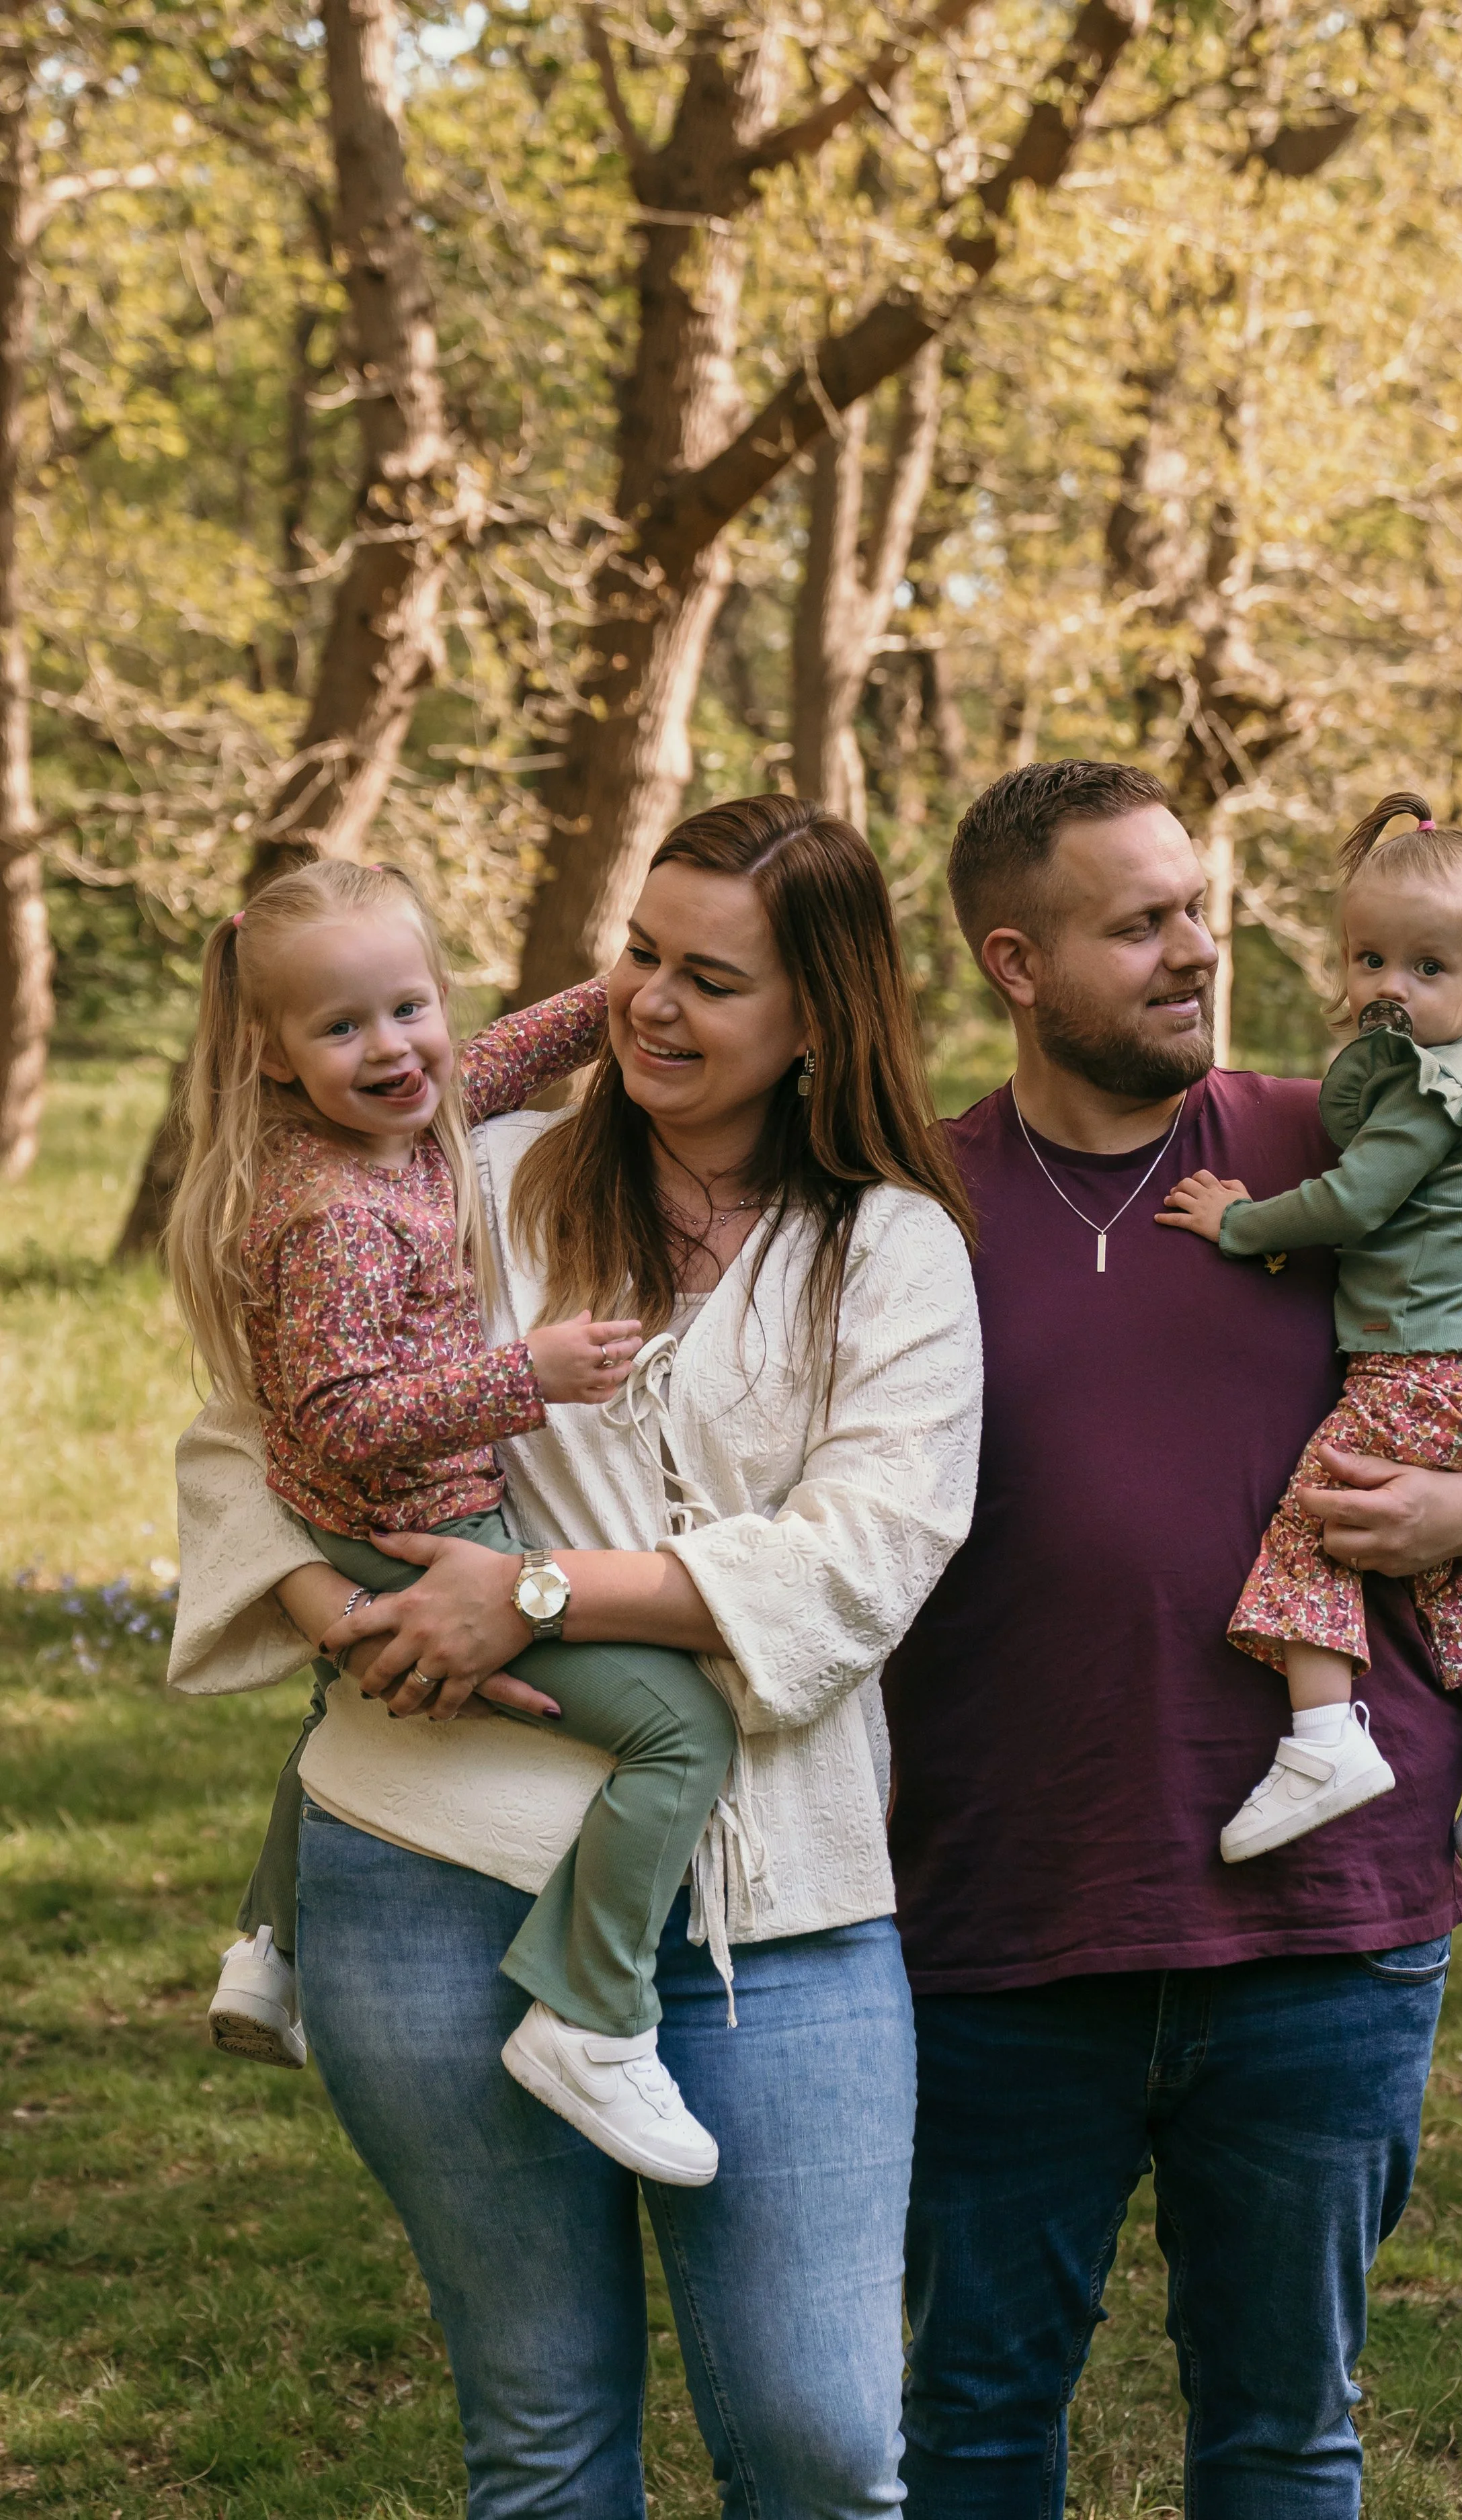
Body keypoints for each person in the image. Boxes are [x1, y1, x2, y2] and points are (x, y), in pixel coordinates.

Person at [168, 795, 983, 2520]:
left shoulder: (892, 1251)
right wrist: (344, 1617)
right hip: (425, 1862)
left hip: (784, 1906)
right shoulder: (465, 1177)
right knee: (540, 2443)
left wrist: (532, 1595)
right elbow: (249, 1435)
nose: (650, 1005)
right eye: (636, 954)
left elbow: (866, 1556)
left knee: (831, 2450)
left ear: (818, 1020)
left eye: (712, 979)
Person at [884, 760, 1462, 2520]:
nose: (1199, 948)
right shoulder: (910, 1210)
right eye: (1141, 922)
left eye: (1198, 904)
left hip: (1325, 1936)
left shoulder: (1336, 1128)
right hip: (1006, 1926)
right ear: (1016, 962)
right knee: (970, 2418)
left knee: (1280, 2432)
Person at [167, 855, 739, 2184]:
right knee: (679, 1730)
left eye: (410, 1008)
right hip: (399, 1523)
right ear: (268, 1051)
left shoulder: (407, 1122)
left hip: (387, 1514)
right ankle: (589, 2012)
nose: (396, 1049)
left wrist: (640, 982)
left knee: (346, 1698)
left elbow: (517, 1045)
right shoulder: (334, 1211)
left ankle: (269, 1944)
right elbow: (331, 1419)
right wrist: (520, 1374)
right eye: (342, 1026)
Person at [1158, 792, 1462, 1863]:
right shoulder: (1447, 1078)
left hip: (1425, 1368)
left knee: (1319, 1516)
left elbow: (1351, 1203)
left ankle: (1322, 1739)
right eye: (1368, 959)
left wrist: (1239, 1221)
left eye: (1427, 969)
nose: (1388, 987)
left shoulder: (1432, 1091)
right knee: (1423, 1560)